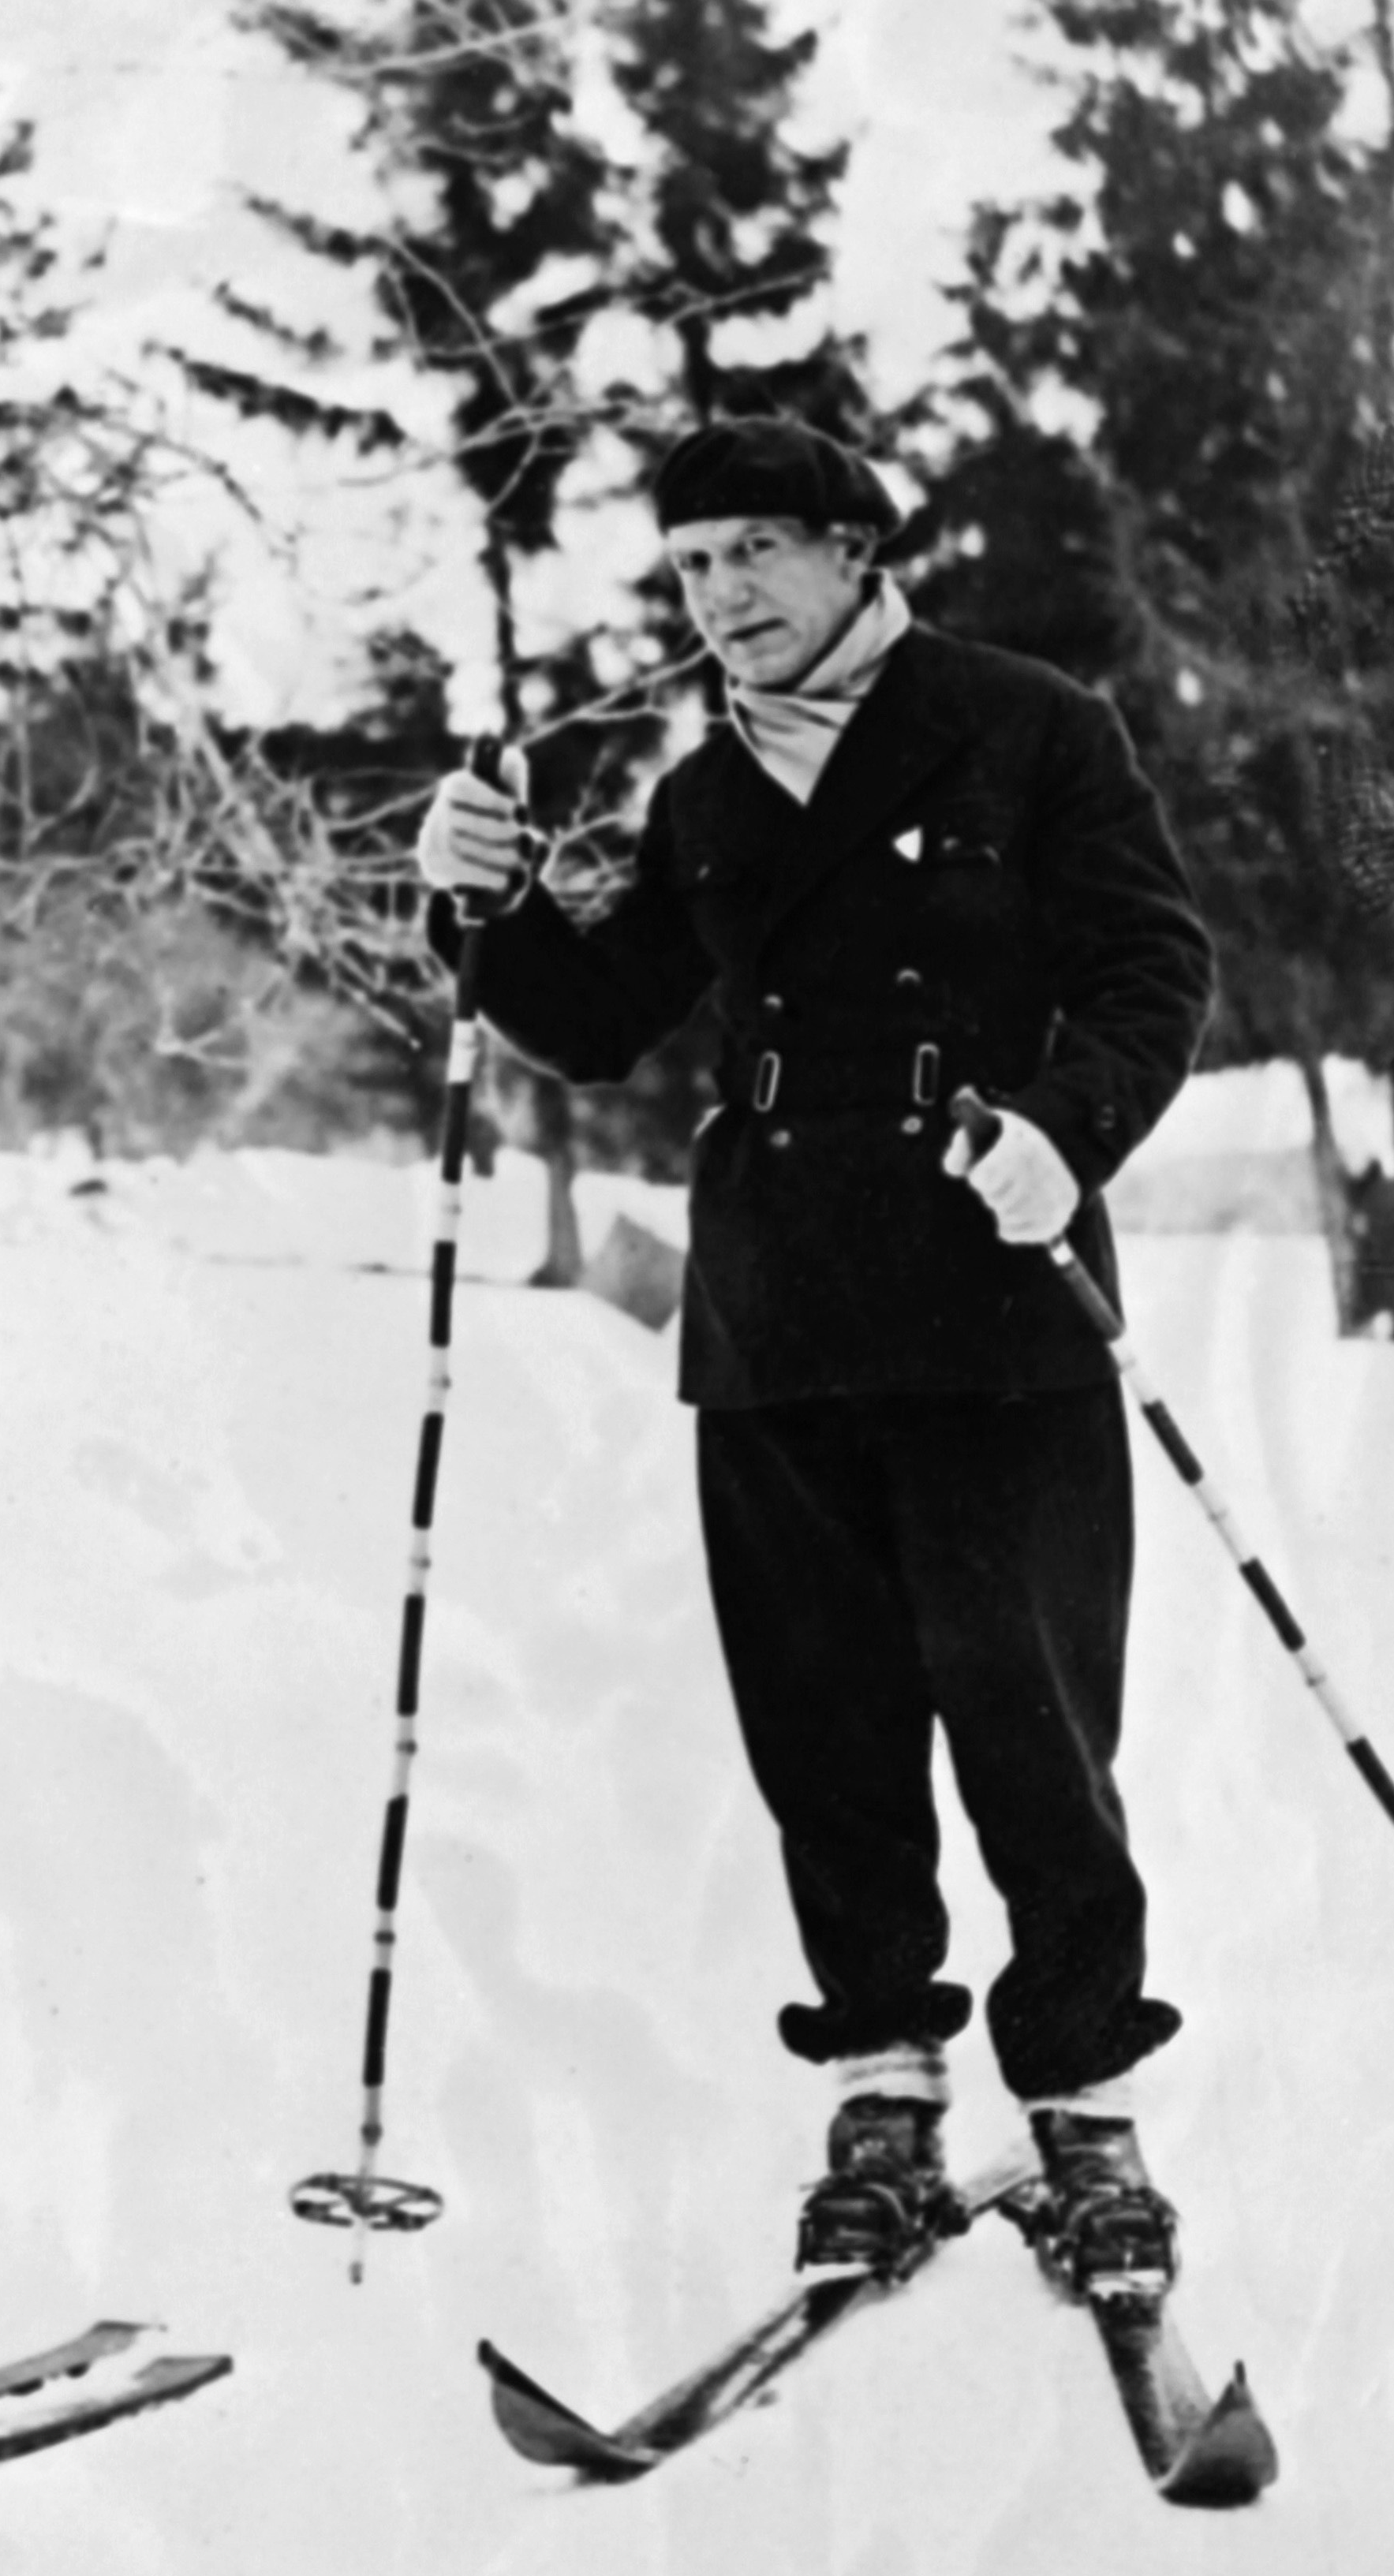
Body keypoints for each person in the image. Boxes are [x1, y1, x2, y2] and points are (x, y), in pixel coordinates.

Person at [415, 416, 1216, 2294]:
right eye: (692, 569)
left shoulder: (1027, 725)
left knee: (1027, 1719)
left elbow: (1152, 970)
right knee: (829, 1727)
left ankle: (1085, 2103)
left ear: (860, 551)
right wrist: (488, 901)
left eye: (759, 552)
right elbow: (599, 1025)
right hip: (775, 1316)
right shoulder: (707, 798)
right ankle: (883, 2079)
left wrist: (1065, 1128)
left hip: (997, 1295)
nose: (723, 599)